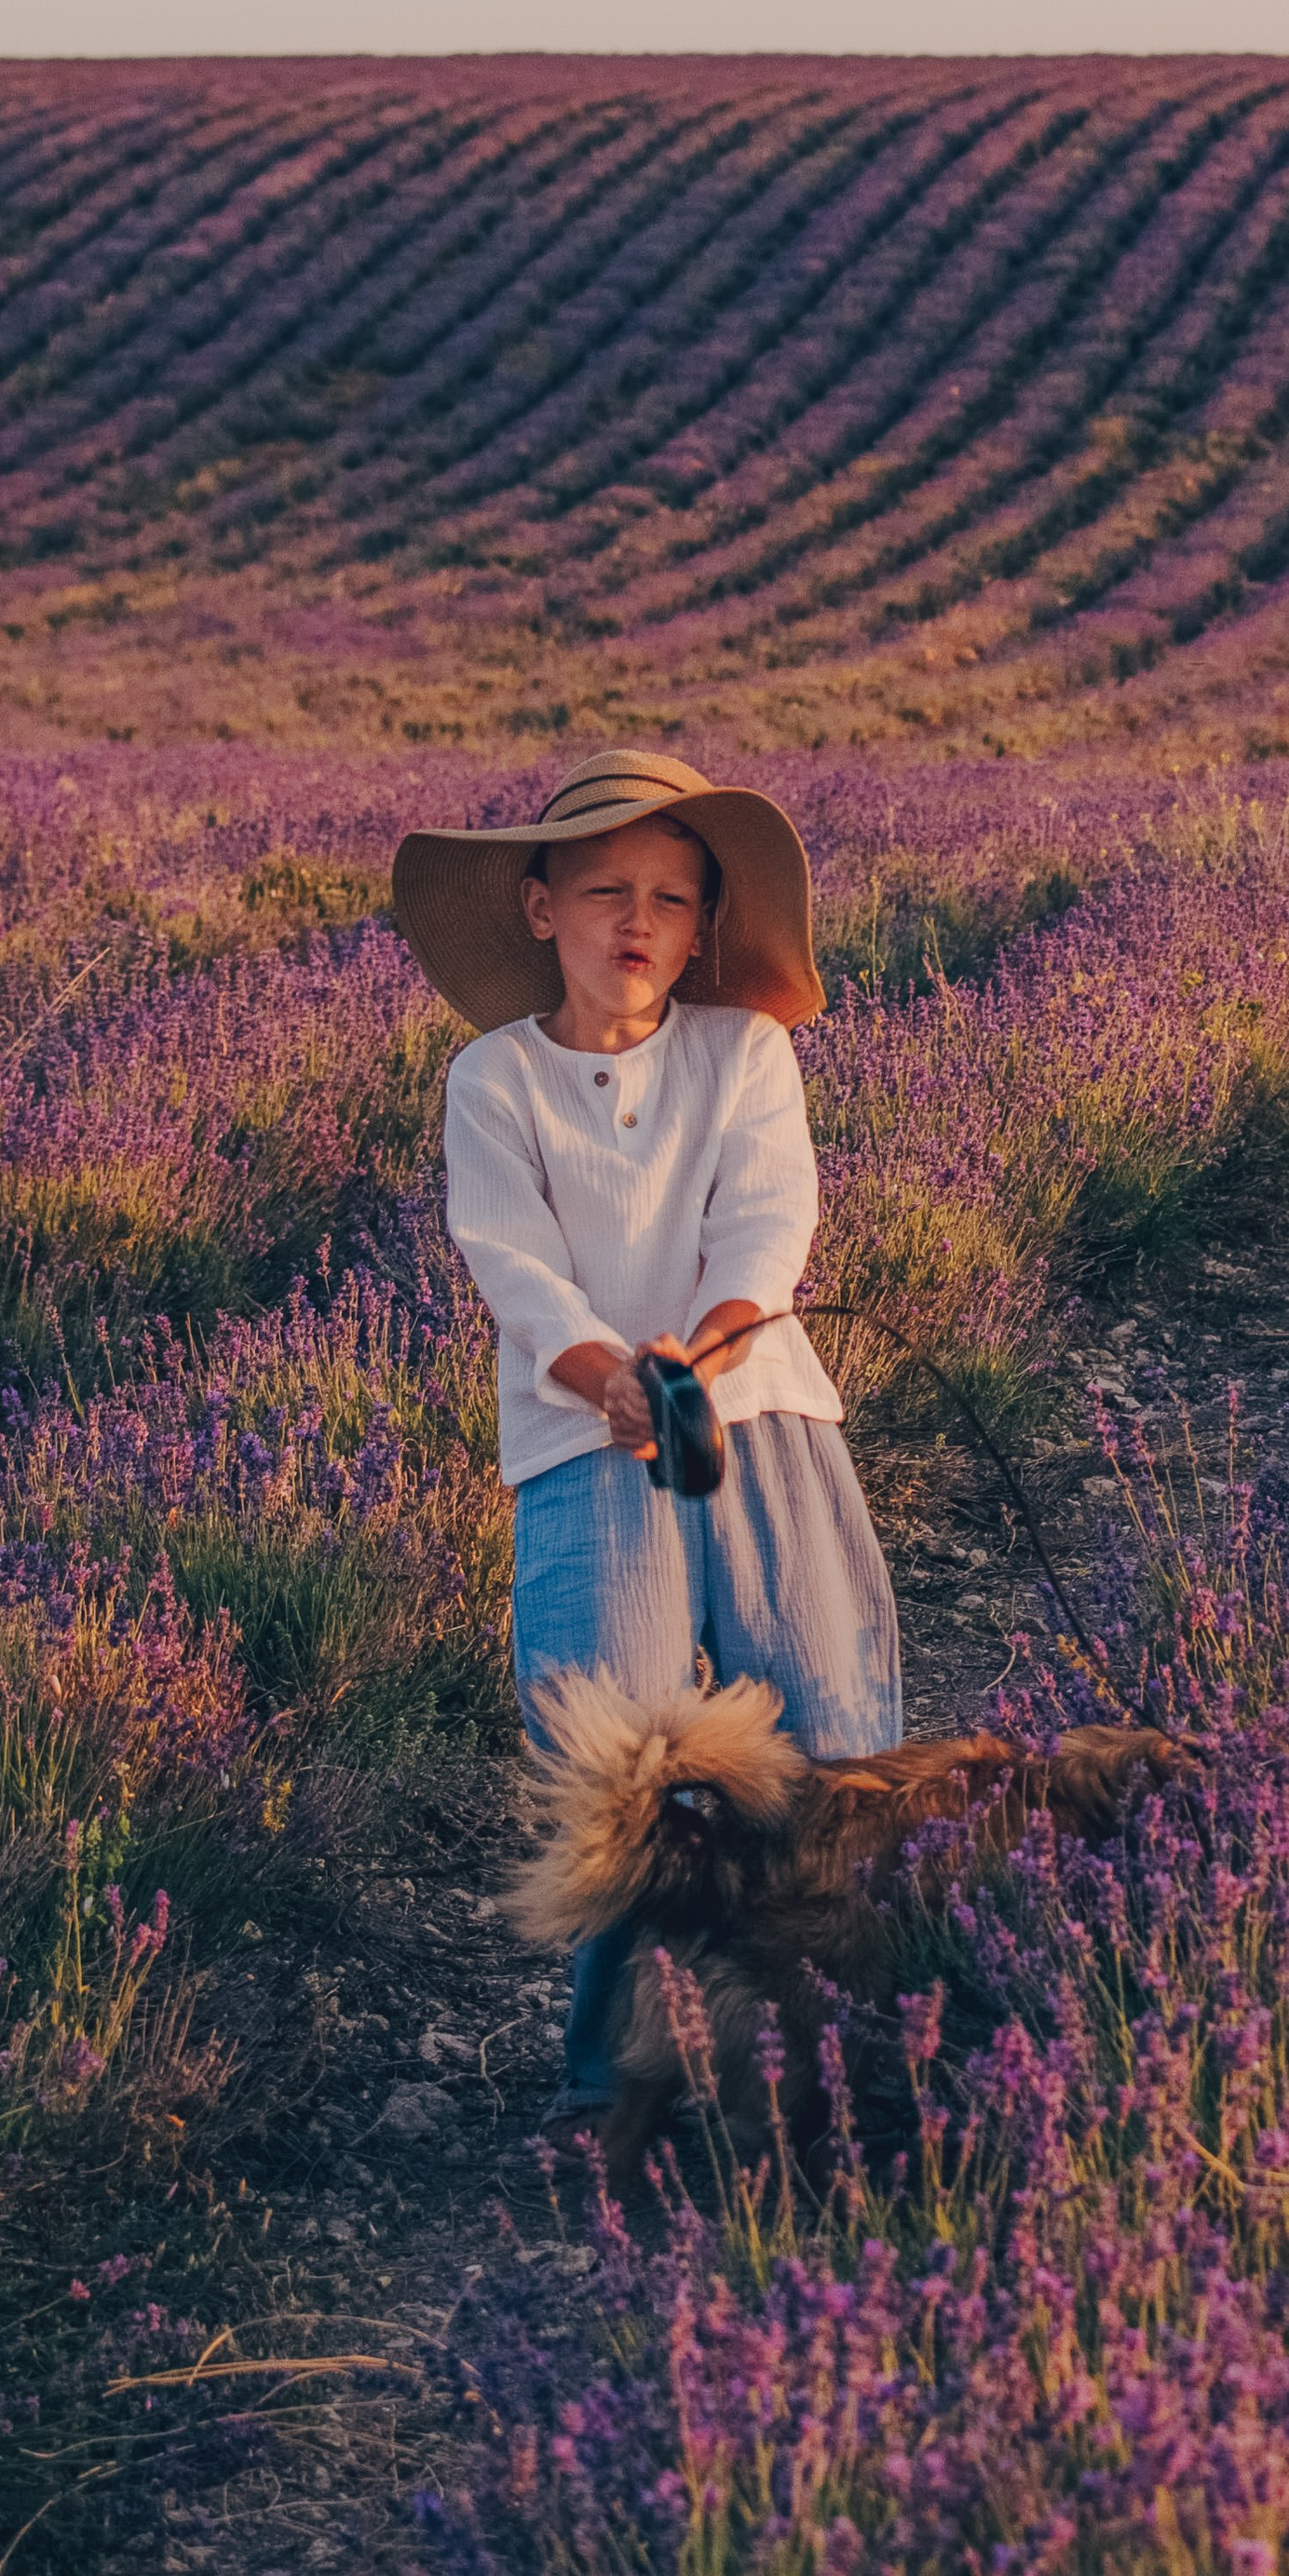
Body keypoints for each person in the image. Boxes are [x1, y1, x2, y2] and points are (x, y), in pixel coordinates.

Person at [391, 746, 902, 2127]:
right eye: (607, 888)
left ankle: (837, 2049)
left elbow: (767, 1228)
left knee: (827, 1724)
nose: (639, 921)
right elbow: (513, 1262)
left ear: (703, 926)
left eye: (673, 899)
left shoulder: (747, 1051)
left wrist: (700, 1351)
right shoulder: (492, 1081)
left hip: (764, 1416)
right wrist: (608, 1378)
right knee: (616, 1762)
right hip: (579, 1439)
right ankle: (610, 2080)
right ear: (539, 905)